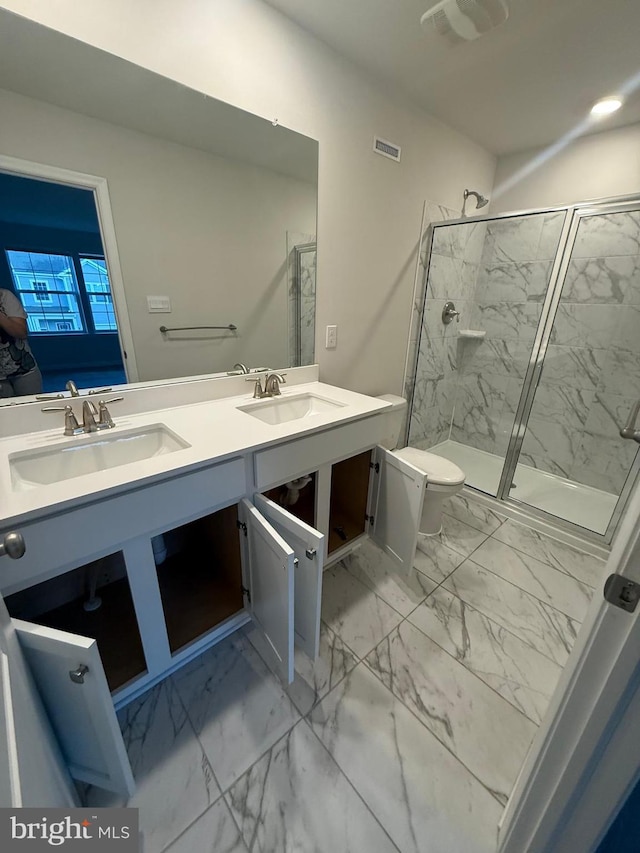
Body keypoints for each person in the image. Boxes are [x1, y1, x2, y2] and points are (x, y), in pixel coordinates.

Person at [0, 288, 42, 397]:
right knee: (6, 412)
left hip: (24, 369)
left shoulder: (4, 296)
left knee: (32, 408)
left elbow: (21, 332)